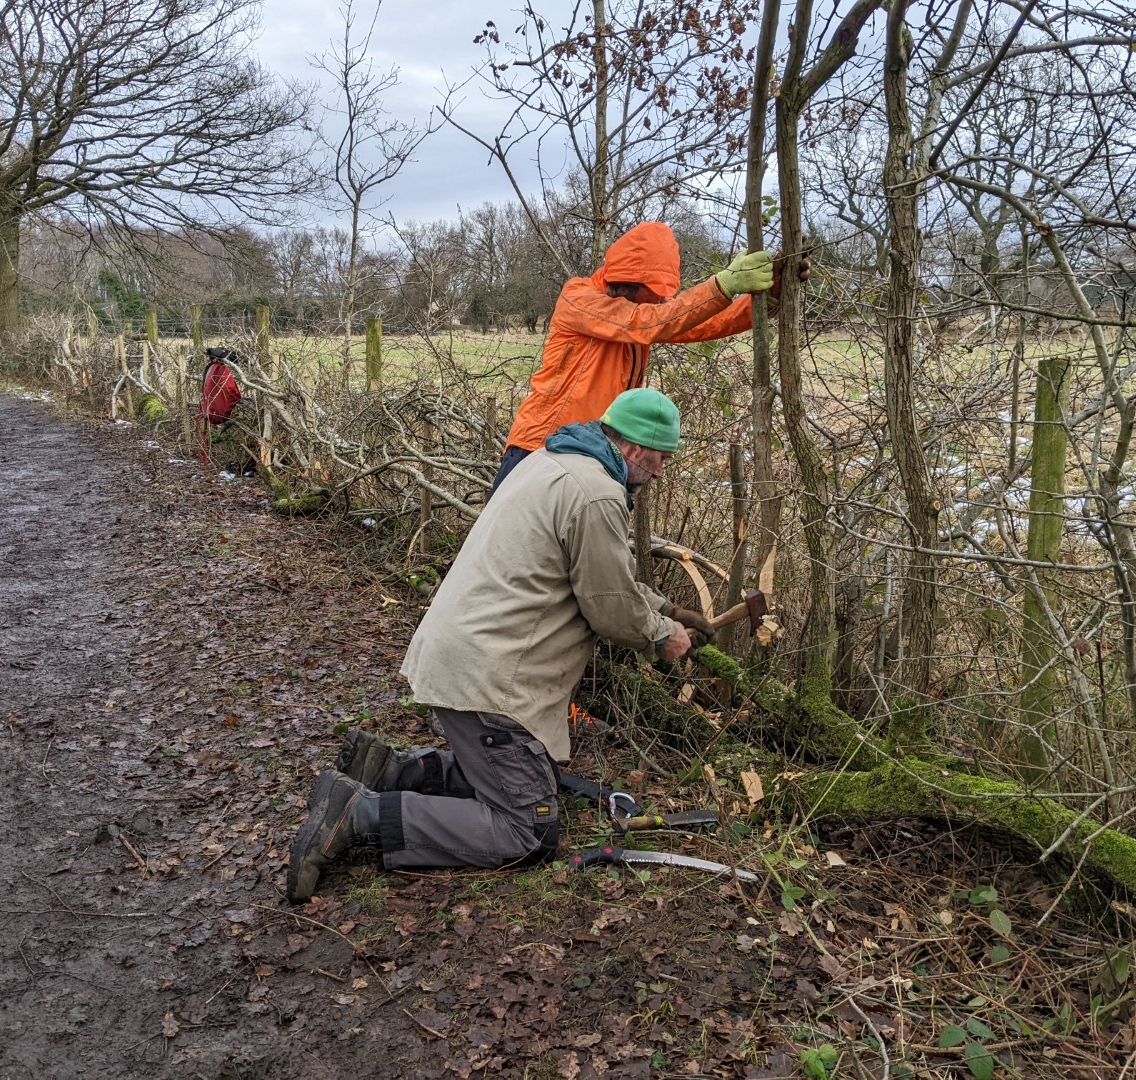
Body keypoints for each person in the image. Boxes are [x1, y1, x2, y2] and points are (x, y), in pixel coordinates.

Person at [287, 388, 717, 901]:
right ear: (634, 449)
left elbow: (602, 574)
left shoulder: (552, 462)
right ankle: (356, 815)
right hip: (494, 680)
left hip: (463, 654)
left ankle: (386, 770)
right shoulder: (598, 493)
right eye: (662, 457)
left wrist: (666, 609)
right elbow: (610, 609)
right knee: (526, 827)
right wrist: (660, 634)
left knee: (509, 780)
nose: (662, 471)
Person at [490, 221, 807, 494]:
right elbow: (649, 321)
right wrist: (722, 285)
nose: (662, 298)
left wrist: (771, 295)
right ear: (628, 282)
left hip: (592, 452)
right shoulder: (579, 298)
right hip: (540, 448)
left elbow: (701, 323)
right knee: (508, 549)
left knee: (571, 557)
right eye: (654, 290)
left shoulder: (644, 315)